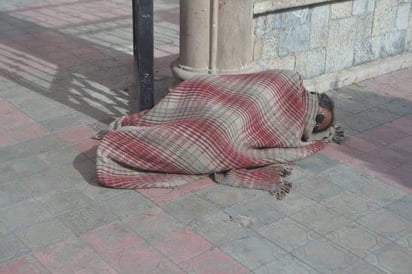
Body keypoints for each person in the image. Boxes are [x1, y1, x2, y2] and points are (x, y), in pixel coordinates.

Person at [95, 70, 343, 199]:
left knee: (205, 144)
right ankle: (136, 131)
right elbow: (244, 83)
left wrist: (320, 134)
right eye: (319, 116)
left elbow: (288, 139)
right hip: (210, 95)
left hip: (226, 129)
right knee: (196, 108)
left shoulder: (291, 130)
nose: (315, 122)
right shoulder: (288, 80)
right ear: (317, 100)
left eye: (317, 126)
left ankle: (121, 145)